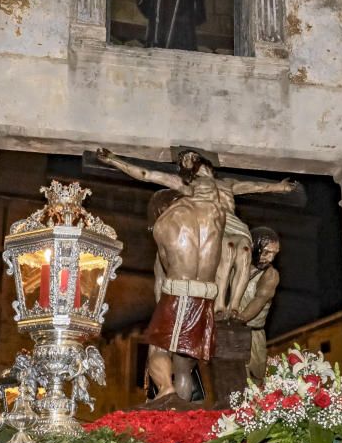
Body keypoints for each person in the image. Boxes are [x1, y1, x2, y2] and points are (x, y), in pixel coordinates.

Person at [96, 147, 295, 405]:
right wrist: (114, 160)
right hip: (206, 285)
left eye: (191, 158)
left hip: (187, 284)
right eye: (184, 160)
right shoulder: (200, 203)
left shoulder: (202, 201)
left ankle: (169, 392)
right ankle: (183, 405)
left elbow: (253, 186)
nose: (188, 162)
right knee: (183, 364)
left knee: (159, 348)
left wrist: (277, 187)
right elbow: (146, 174)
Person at [232, 226, 281, 381]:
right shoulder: (235, 266)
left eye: (274, 254)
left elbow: (258, 301)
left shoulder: (270, 275)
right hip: (229, 331)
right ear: (253, 247)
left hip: (252, 334)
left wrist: (238, 319)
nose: (270, 259)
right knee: (231, 376)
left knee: (255, 378)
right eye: (266, 252)